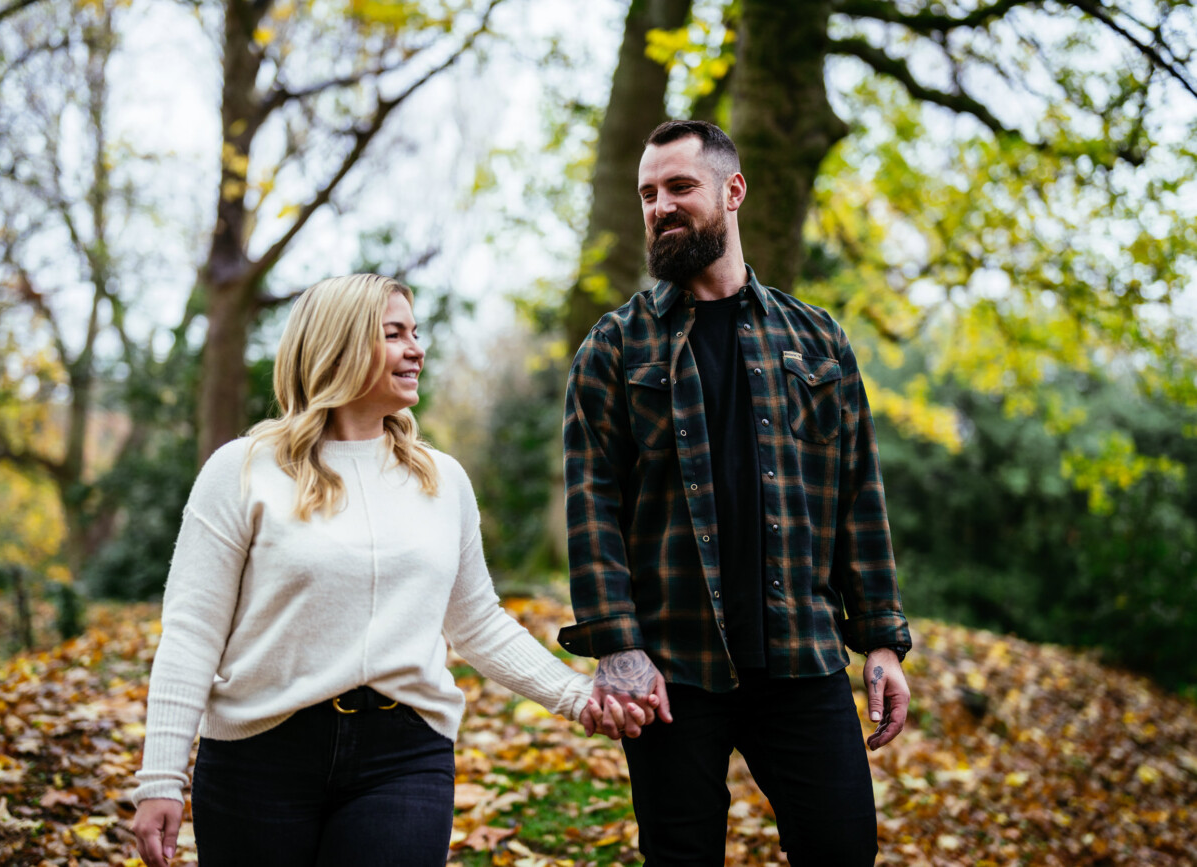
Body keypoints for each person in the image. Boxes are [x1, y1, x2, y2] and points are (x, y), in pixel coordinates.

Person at [129, 274, 634, 867]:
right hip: (260, 755)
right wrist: (160, 776)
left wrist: (575, 696)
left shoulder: (442, 480)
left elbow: (476, 622)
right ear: (336, 347)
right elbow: (192, 630)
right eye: (393, 334)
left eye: (415, 333)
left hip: (404, 758)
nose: (416, 348)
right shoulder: (242, 471)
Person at [557, 120, 913, 866]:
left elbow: (858, 496)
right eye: (648, 193)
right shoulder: (614, 349)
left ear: (733, 190)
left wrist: (880, 637)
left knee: (844, 848)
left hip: (803, 659)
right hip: (672, 670)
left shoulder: (818, 341)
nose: (660, 206)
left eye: (680, 187)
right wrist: (617, 645)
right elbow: (593, 509)